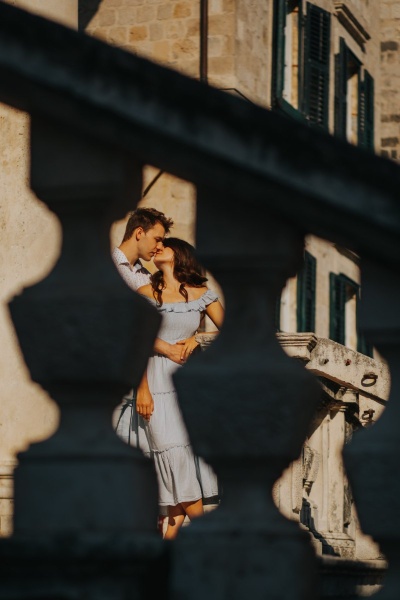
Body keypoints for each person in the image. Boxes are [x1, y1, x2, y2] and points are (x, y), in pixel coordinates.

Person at [136, 237, 224, 540]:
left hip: (188, 385)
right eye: (156, 243)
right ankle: (209, 537)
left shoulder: (203, 296)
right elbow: (133, 341)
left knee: (180, 459)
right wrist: (142, 389)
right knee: (171, 455)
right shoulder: (145, 293)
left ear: (181, 254)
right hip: (153, 379)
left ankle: (166, 557)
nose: (157, 247)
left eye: (165, 244)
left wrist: (198, 338)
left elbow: (235, 330)